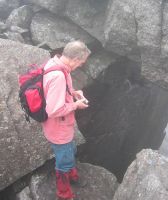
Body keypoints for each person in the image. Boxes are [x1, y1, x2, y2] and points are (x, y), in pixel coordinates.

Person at [42, 40, 91, 200]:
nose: (80, 65)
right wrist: (75, 105)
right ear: (75, 59)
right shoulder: (58, 76)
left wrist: (74, 93)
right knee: (63, 161)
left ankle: (72, 174)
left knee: (71, 150)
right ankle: (63, 193)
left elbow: (56, 92)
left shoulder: (57, 64)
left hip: (63, 126)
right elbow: (53, 110)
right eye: (81, 62)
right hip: (58, 129)